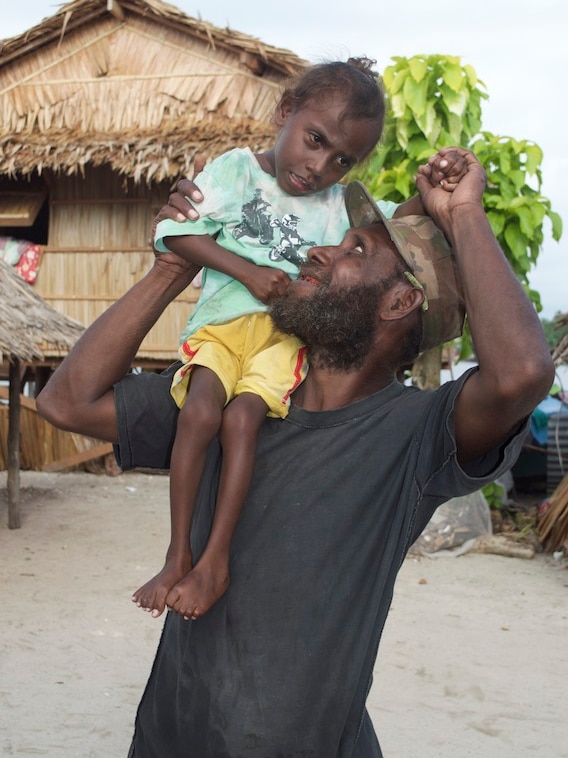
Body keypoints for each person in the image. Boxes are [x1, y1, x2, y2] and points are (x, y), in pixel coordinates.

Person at [36, 147, 554, 757]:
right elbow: (65, 403)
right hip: (168, 738)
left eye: (354, 251)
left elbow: (521, 374)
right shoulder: (235, 400)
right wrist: (173, 264)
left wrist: (465, 213)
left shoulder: (418, 435)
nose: (318, 250)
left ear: (398, 303)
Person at [134, 57, 464, 622]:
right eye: (315, 140)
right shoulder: (235, 171)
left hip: (283, 339)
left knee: (242, 422)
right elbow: (173, 232)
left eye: (342, 159)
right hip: (222, 325)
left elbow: (398, 226)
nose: (320, 166)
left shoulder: (338, 207)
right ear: (286, 111)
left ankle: (216, 557)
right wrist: (247, 273)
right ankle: (177, 552)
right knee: (200, 414)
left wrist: (436, 190)